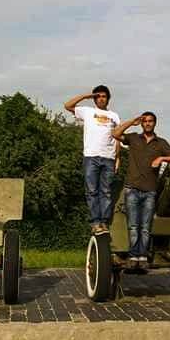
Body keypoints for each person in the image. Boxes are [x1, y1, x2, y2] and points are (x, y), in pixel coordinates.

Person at [112, 112, 170, 263]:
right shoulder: (134, 138)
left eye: (150, 121)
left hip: (150, 191)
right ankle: (134, 255)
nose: (148, 123)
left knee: (145, 227)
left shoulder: (161, 143)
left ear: (155, 123)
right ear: (142, 123)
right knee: (133, 225)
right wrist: (131, 121)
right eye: (145, 121)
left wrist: (162, 158)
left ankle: (143, 254)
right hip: (132, 188)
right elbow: (115, 134)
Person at [65, 85, 121, 234]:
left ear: (108, 98)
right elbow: (67, 105)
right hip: (91, 156)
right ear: (94, 99)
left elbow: (117, 138)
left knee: (107, 191)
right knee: (91, 190)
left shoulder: (114, 116)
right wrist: (85, 96)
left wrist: (117, 158)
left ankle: (104, 222)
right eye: (98, 96)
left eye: (104, 96)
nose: (101, 99)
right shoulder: (87, 111)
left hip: (108, 157)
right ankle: (95, 222)